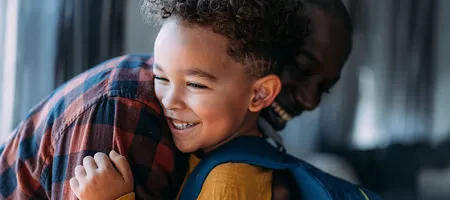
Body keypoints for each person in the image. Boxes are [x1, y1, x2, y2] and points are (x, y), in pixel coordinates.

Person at [0, 0, 355, 199]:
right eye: (162, 77)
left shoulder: (230, 169)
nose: (309, 101)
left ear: (262, 91)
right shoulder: (127, 112)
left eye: (324, 87)